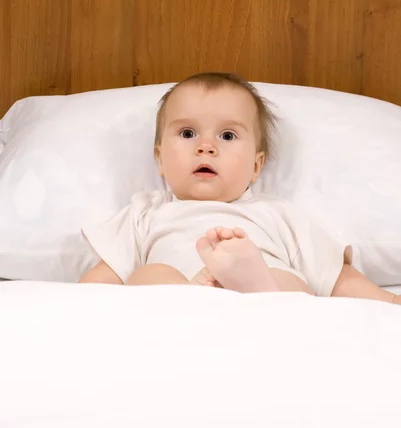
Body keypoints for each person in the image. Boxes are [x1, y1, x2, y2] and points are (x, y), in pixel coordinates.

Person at [79, 72, 400, 305]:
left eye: (228, 136)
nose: (206, 147)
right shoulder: (145, 212)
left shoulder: (278, 213)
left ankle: (256, 286)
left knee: (291, 283)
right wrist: (68, 307)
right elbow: (103, 278)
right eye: (188, 133)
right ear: (160, 160)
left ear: (256, 166)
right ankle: (201, 296)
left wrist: (387, 301)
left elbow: (334, 276)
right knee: (149, 274)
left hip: (266, 300)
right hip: (176, 306)